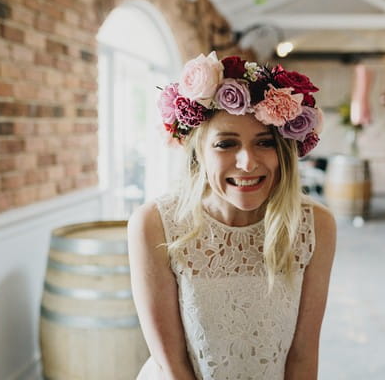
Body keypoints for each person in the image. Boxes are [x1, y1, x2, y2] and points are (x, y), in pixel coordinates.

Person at [127, 52, 336, 379]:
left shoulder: (315, 225)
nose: (248, 163)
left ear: (284, 152)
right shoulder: (154, 224)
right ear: (198, 151)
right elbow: (173, 366)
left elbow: (303, 357)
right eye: (226, 144)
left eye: (264, 143)